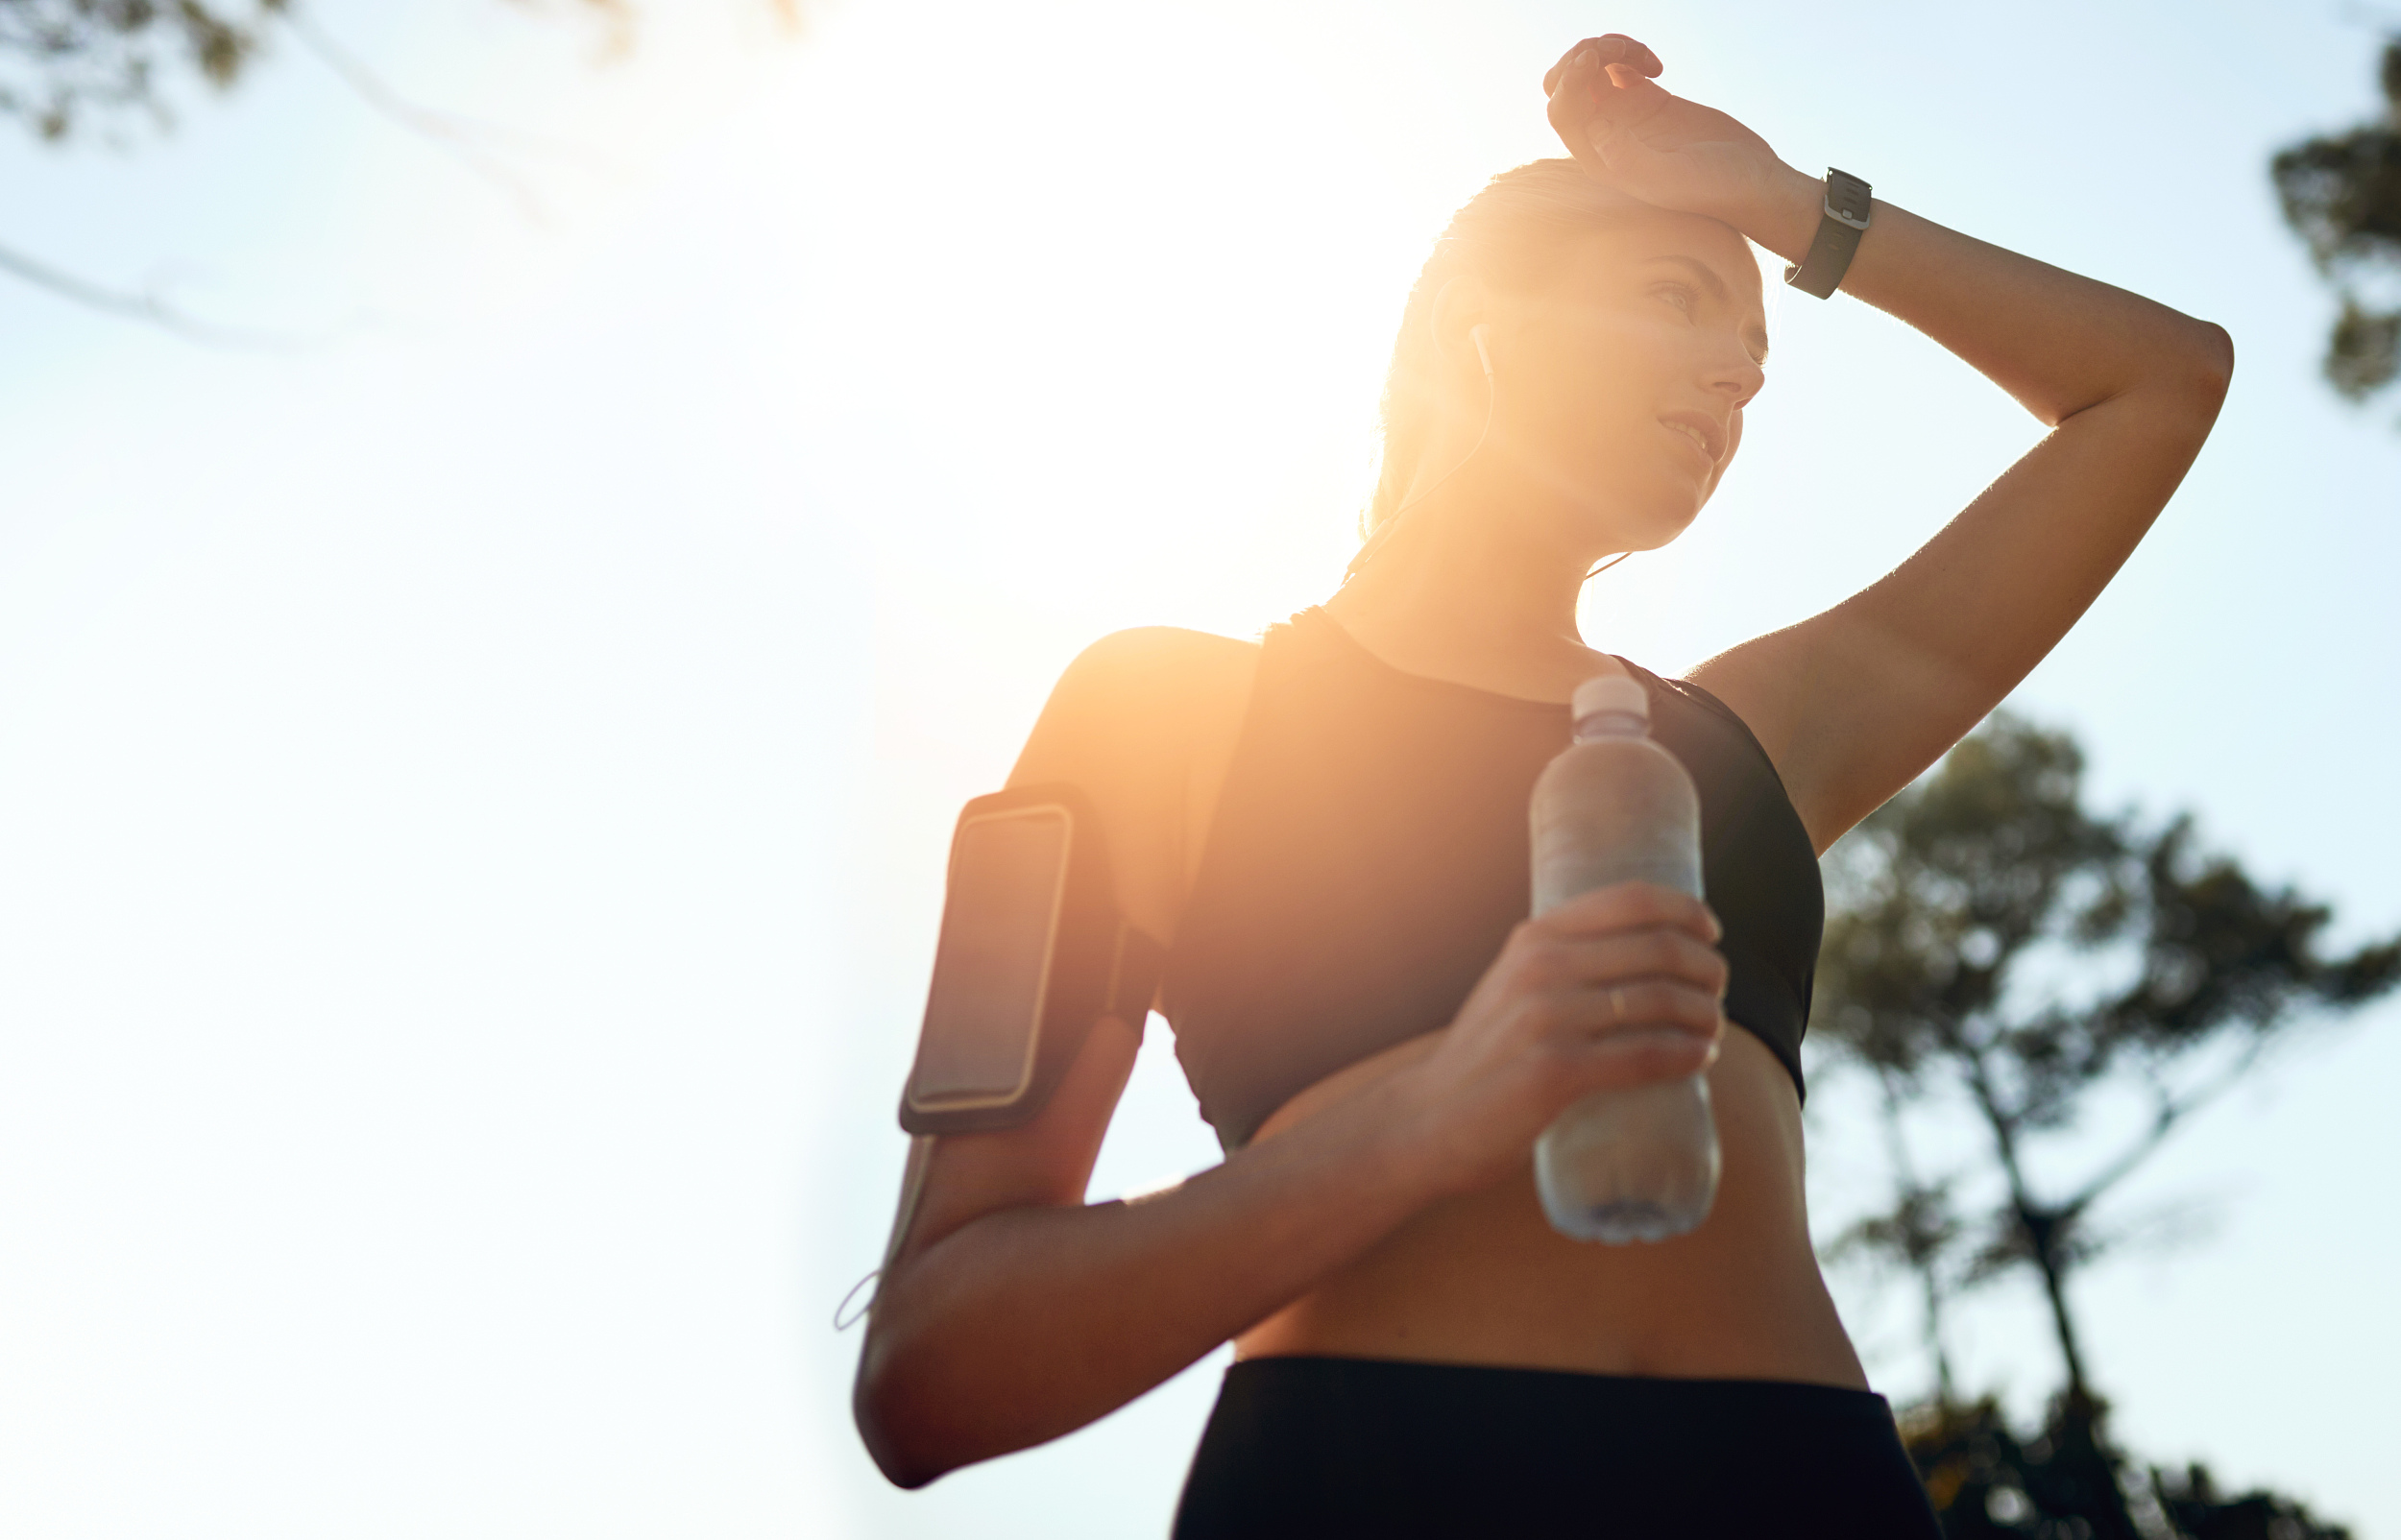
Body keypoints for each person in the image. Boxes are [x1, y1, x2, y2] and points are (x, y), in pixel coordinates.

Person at [852, 34, 2230, 1537]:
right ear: (1472, 325)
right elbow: (933, 1364)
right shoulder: (1164, 713)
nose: (1732, 376)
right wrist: (1428, 1112)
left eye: (1756, 370)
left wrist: (1779, 205)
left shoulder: (1751, 742)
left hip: (1804, 1486)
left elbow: (2158, 384)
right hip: (1365, 1482)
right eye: (1674, 299)